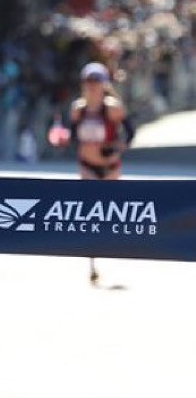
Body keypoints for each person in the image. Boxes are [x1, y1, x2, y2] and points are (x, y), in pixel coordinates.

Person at [49, 61, 134, 286]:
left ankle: (111, 249)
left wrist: (117, 147)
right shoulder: (78, 108)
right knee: (89, 212)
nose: (92, 87)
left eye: (96, 82)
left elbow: (130, 131)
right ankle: (92, 262)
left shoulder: (113, 107)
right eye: (88, 82)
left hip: (110, 166)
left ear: (104, 84)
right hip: (87, 164)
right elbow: (73, 135)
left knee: (110, 211)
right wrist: (62, 137)